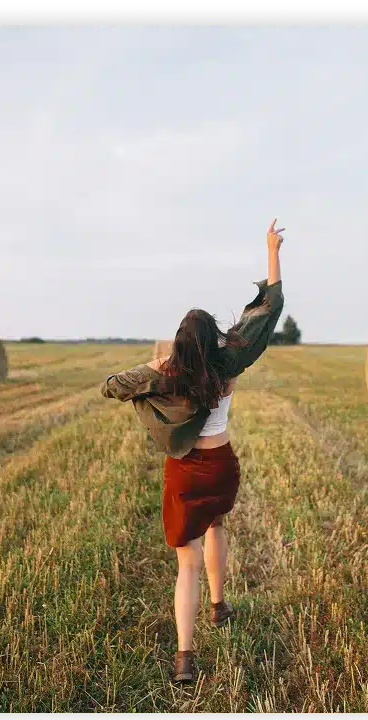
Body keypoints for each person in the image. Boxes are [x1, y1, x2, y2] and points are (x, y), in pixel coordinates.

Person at [100, 219, 285, 684]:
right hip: (223, 466)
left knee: (188, 564)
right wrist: (271, 250)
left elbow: (111, 387)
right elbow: (268, 308)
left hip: (185, 471)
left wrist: (154, 365)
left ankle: (185, 658)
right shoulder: (230, 360)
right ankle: (220, 608)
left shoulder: (167, 374)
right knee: (217, 524)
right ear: (216, 338)